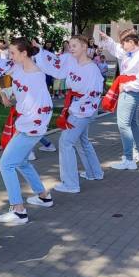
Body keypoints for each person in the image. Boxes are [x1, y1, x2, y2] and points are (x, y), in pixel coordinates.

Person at [0, 38, 54, 225]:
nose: (10, 56)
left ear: (24, 53)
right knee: (22, 162)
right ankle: (43, 196)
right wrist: (2, 89)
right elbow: (5, 81)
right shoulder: (17, 68)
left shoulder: (36, 75)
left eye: (13, 53)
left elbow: (41, 106)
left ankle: (18, 211)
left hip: (32, 124)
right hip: (27, 123)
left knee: (6, 164)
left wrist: (25, 126)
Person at [35, 36, 104, 192]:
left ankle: (71, 184)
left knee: (66, 142)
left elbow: (94, 94)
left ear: (84, 47)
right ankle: (94, 172)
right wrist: (40, 51)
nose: (71, 48)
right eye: (70, 45)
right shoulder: (70, 60)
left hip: (82, 109)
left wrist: (78, 110)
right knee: (81, 141)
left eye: (75, 46)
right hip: (75, 105)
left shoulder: (92, 69)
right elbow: (55, 63)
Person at [97, 28, 139, 170]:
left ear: (131, 42)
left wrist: (126, 86)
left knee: (123, 124)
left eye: (123, 42)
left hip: (130, 92)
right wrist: (108, 39)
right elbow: (117, 49)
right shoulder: (131, 53)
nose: (121, 45)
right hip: (130, 91)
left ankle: (128, 159)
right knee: (132, 122)